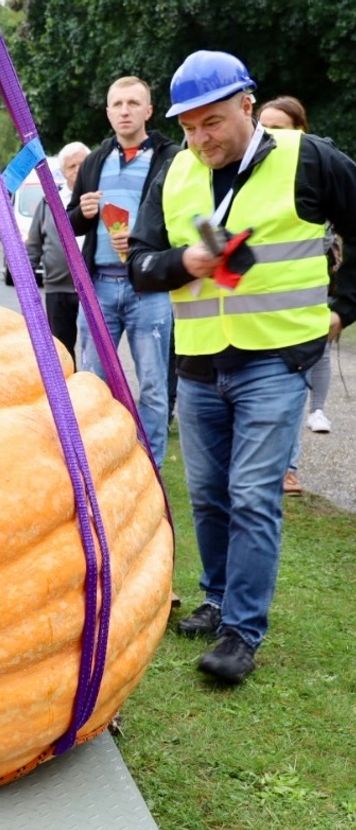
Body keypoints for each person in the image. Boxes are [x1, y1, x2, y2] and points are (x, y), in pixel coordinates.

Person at [127, 51, 356, 683]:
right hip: (199, 365)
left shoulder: (308, 157)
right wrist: (184, 265)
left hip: (277, 362)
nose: (201, 139)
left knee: (253, 493)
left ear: (247, 106)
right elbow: (142, 264)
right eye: (190, 127)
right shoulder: (173, 172)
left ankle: (241, 632)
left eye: (214, 123)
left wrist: (344, 306)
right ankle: (218, 597)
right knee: (207, 494)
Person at [67, 76, 180, 468]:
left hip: (148, 287)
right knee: (93, 383)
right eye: (118, 104)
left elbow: (180, 220)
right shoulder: (96, 160)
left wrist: (145, 237)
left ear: (149, 110)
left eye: (134, 103)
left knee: (152, 384)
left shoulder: (171, 157)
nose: (125, 110)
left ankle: (151, 467)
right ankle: (99, 462)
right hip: (99, 286)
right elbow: (71, 224)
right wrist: (82, 212)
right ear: (108, 112)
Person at [255, 98, 338, 495]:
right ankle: (278, 467)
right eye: (264, 127)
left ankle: (289, 465)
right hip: (257, 304)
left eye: (281, 128)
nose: (271, 136)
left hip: (305, 292)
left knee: (303, 370)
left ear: (301, 131)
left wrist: (344, 305)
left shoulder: (316, 168)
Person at [26, 141, 90, 363]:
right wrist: (26, 276)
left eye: (83, 164)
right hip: (58, 287)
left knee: (94, 350)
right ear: (63, 173)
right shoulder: (49, 203)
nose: (78, 171)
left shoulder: (99, 199)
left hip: (93, 286)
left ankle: (96, 392)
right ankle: (68, 395)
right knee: (62, 348)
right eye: (72, 167)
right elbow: (34, 243)